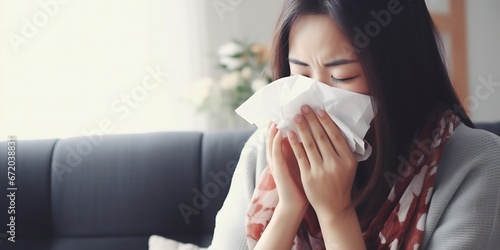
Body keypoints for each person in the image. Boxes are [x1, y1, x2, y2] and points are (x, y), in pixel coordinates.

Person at [209, 0, 500, 249]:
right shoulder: (266, 150)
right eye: (300, 74)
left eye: (342, 76)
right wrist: (288, 208)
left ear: (399, 72)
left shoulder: (474, 164)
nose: (312, 99)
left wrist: (336, 214)